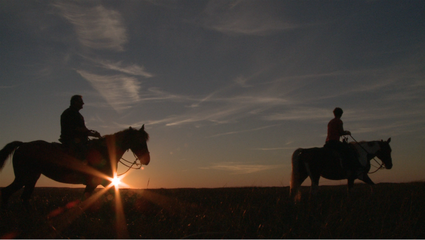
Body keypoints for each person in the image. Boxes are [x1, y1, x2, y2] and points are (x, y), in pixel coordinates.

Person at [59, 95, 101, 159]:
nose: (83, 103)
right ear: (75, 102)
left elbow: (83, 129)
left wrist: (91, 133)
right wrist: (92, 134)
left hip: (78, 140)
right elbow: (76, 129)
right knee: (86, 152)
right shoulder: (69, 113)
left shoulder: (78, 115)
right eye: (81, 101)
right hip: (72, 140)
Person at [324, 107, 358, 172]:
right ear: (341, 114)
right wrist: (347, 132)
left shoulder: (330, 122)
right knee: (348, 150)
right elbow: (341, 132)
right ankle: (347, 166)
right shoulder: (339, 121)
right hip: (334, 142)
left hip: (328, 142)